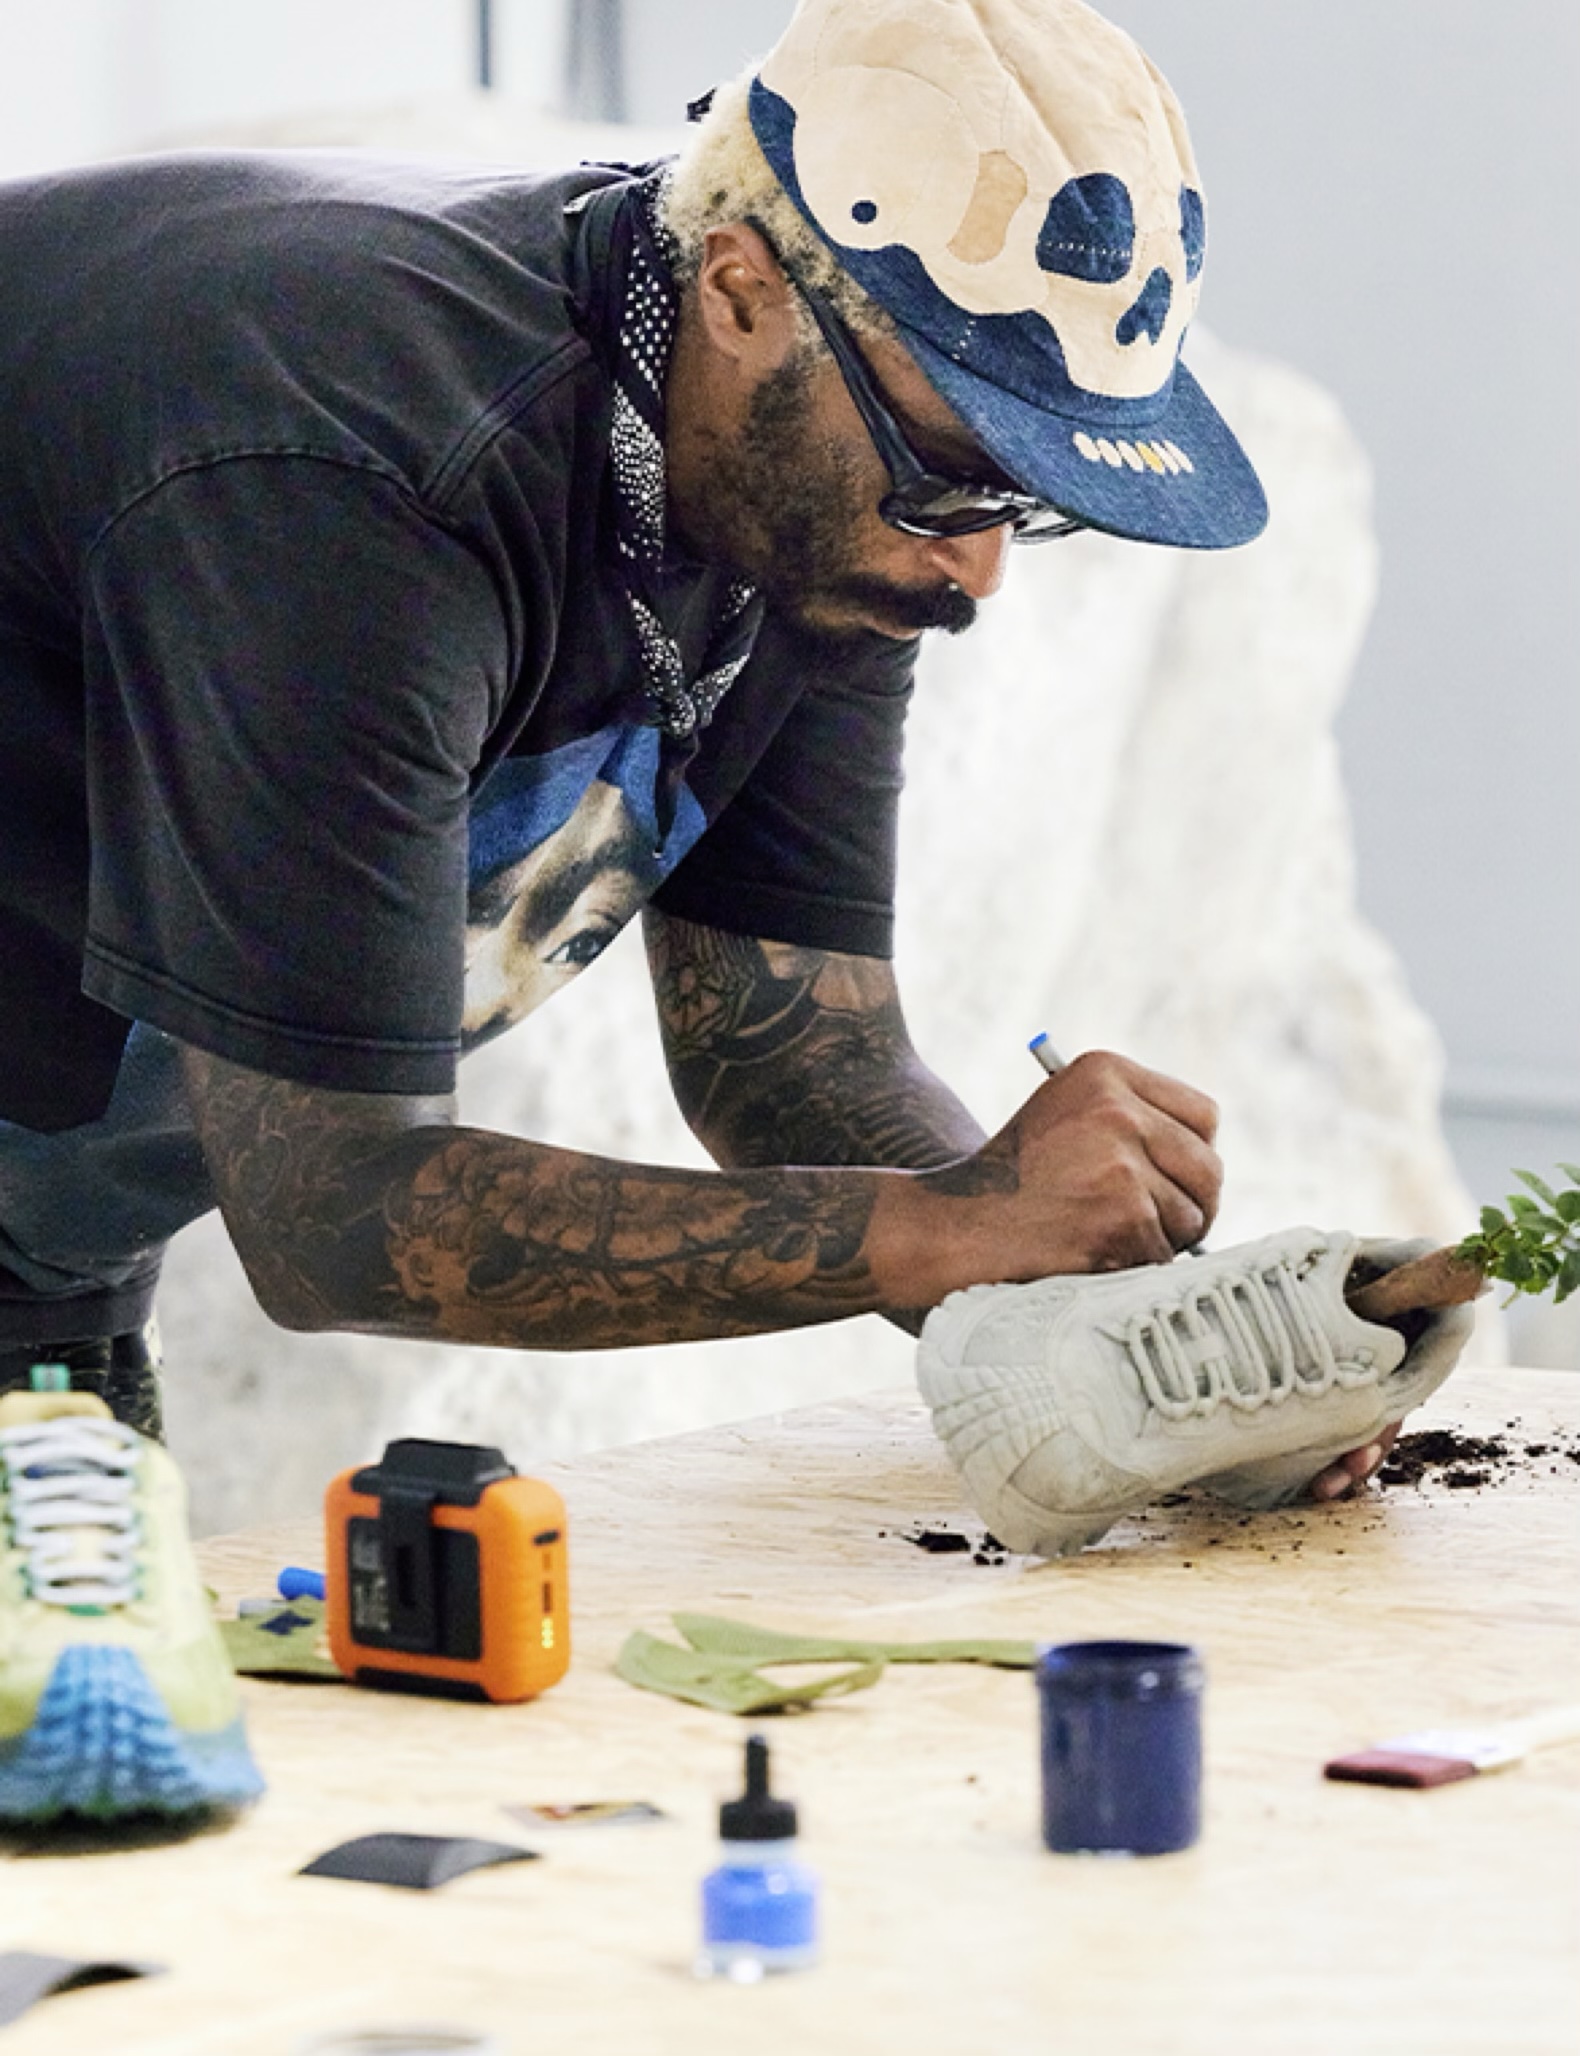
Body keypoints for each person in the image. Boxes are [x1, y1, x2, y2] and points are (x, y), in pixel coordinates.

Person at [0, 0, 1450, 1818]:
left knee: (99, 1824)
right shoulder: (352, 473)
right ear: (748, 288)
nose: (976, 570)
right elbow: (336, 1219)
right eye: (954, 475)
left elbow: (790, 1059)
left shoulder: (808, 501)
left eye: (1027, 501)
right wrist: (938, 1231)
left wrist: (1149, 1353)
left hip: (39, 1255)